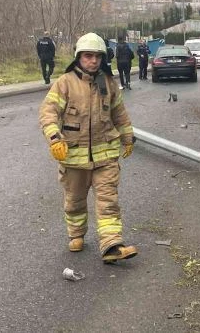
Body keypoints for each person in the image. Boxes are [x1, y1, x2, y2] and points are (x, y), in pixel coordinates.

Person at [38, 32, 137, 264]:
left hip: (105, 156)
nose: (93, 61)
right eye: (88, 56)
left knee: (108, 200)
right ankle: (76, 235)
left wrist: (128, 137)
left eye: (97, 57)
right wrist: (54, 137)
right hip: (73, 157)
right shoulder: (65, 84)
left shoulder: (108, 84)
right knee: (74, 201)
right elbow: (48, 112)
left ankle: (112, 244)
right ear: (79, 57)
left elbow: (119, 114)